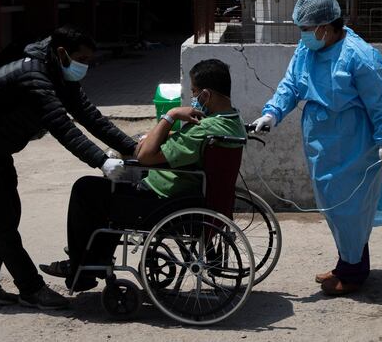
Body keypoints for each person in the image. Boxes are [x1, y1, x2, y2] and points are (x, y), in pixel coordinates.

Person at [0, 25, 137, 310]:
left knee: (5, 213)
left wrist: (131, 148)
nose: (86, 66)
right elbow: (62, 126)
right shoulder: (34, 77)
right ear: (62, 53)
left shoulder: (58, 73)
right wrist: (103, 161)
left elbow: (89, 115)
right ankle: (31, 289)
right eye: (82, 59)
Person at [40, 58, 246, 291]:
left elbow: (145, 157)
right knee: (111, 190)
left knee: (86, 189)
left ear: (206, 95)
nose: (194, 98)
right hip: (191, 196)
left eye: (195, 92)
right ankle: (90, 257)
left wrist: (171, 115)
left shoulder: (204, 130)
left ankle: (81, 268)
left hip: (165, 202)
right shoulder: (231, 122)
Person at [251, 0, 382, 296]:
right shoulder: (308, 50)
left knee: (351, 209)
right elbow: (290, 84)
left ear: (326, 27)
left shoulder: (358, 55)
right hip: (321, 144)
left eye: (307, 29)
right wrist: (272, 113)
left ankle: (354, 274)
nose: (303, 35)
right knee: (334, 208)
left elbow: (379, 101)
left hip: (353, 143)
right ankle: (346, 264)